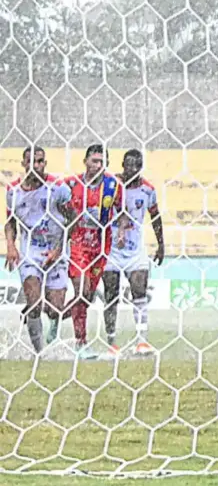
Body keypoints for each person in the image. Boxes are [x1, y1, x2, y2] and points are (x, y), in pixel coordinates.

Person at [4, 146, 73, 354]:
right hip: (31, 251)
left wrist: (58, 250)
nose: (36, 165)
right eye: (32, 161)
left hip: (56, 250)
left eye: (40, 161)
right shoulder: (13, 191)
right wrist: (10, 246)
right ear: (23, 164)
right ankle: (40, 353)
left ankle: (48, 318)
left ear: (45, 163)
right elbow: (10, 222)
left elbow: (73, 220)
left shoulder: (58, 188)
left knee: (54, 311)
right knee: (34, 303)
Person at [64, 144, 127, 360]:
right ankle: (81, 343)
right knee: (82, 291)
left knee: (87, 297)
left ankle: (57, 317)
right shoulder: (71, 184)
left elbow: (123, 212)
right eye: (95, 161)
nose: (99, 165)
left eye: (102, 162)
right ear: (85, 162)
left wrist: (121, 231)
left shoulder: (113, 185)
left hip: (100, 247)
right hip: (77, 244)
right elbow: (55, 205)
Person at [103, 149, 165, 356]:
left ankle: (142, 341)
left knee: (139, 290)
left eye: (136, 166)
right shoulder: (111, 184)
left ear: (141, 167)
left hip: (135, 250)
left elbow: (155, 216)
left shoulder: (147, 190)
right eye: (128, 165)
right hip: (111, 249)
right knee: (111, 294)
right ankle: (111, 343)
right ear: (122, 165)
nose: (131, 169)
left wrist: (161, 245)